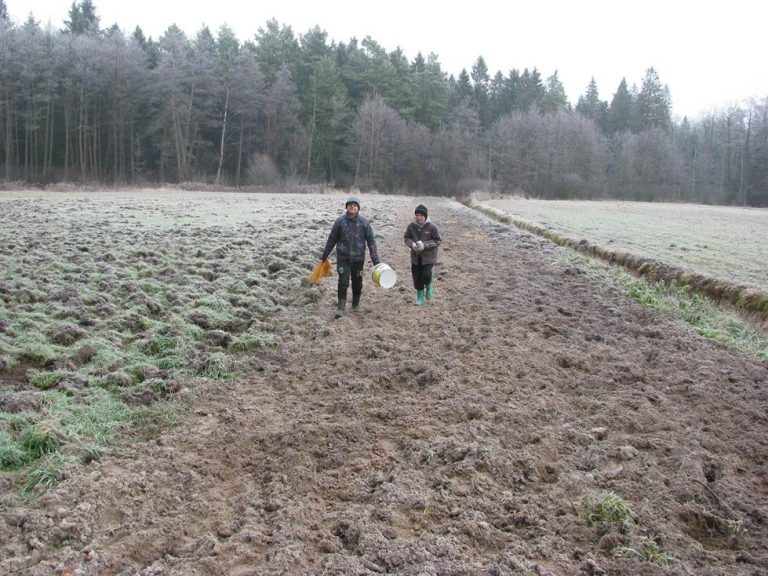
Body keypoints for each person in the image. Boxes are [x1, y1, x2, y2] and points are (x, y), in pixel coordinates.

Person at [320, 196, 381, 317]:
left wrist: (376, 261)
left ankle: (356, 304)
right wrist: (324, 256)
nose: (352, 207)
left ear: (358, 208)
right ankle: (341, 307)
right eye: (350, 205)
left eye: (355, 205)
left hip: (358, 259)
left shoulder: (364, 222)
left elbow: (371, 242)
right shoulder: (340, 222)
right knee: (343, 281)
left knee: (357, 282)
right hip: (343, 258)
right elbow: (331, 239)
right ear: (346, 207)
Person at [404, 204, 441, 305]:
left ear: (425, 216)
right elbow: (406, 238)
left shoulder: (432, 227)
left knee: (426, 275)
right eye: (417, 215)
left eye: (421, 215)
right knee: (417, 278)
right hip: (416, 257)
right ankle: (420, 298)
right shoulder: (411, 226)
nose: (419, 217)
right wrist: (412, 244)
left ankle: (429, 285)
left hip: (428, 257)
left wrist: (424, 245)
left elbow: (437, 241)